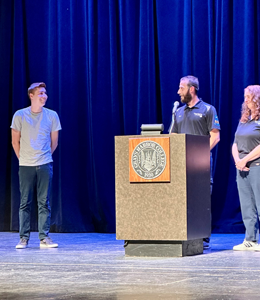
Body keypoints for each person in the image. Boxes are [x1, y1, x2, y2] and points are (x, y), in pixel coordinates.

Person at [172, 75, 221, 249]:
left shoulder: (208, 109)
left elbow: (215, 136)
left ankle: (202, 237)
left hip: (200, 165)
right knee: (182, 198)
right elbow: (174, 138)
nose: (178, 91)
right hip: (181, 165)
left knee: (200, 199)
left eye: (181, 87)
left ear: (192, 89)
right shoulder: (178, 112)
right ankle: (182, 232)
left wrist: (198, 153)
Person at [11, 82, 61, 249]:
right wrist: (23, 159)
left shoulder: (52, 115)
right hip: (25, 165)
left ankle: (44, 238)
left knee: (44, 202)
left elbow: (54, 142)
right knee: (24, 202)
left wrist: (44, 157)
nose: (44, 96)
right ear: (31, 96)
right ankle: (23, 238)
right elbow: (14, 141)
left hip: (45, 163)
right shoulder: (20, 115)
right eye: (40, 93)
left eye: (45, 93)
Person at [232, 85, 260, 251]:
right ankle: (250, 239)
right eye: (245, 96)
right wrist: (238, 160)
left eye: (248, 96)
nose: (246, 99)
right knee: (246, 204)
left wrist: (246, 159)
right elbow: (235, 142)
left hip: (256, 165)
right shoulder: (244, 120)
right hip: (241, 168)